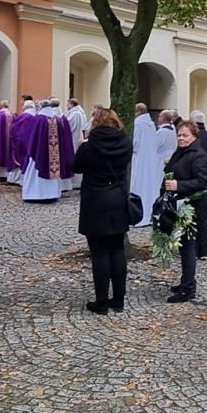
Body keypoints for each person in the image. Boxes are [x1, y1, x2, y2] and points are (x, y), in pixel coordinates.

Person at [72, 107, 132, 314]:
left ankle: (101, 302)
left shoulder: (89, 146)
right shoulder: (125, 142)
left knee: (99, 252)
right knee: (117, 250)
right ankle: (119, 300)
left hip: (95, 200)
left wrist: (80, 146)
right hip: (117, 198)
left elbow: (76, 167)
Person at [163, 121, 207, 303]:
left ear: (194, 136)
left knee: (188, 246)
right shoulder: (181, 151)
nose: (181, 138)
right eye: (179, 135)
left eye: (185, 135)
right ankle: (186, 281)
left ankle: (188, 287)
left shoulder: (198, 155)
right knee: (183, 246)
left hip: (192, 205)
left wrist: (178, 185)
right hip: (179, 203)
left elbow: (201, 181)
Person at [22, 100, 74, 203]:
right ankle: (52, 194)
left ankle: (36, 195)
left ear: (41, 106)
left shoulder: (38, 119)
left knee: (35, 174)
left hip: (39, 154)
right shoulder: (58, 120)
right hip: (55, 158)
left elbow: (30, 135)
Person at [129, 104, 162, 226]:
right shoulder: (151, 124)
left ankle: (138, 215)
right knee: (148, 187)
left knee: (138, 186)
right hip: (150, 161)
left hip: (139, 160)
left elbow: (134, 143)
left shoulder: (138, 124)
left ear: (138, 112)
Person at [190, 111, 207, 258]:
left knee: (190, 216)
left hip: (191, 180)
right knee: (202, 218)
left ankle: (192, 247)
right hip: (206, 181)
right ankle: (203, 249)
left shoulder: (193, 138)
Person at [65, 98, 89, 190]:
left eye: (68, 104)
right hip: (79, 136)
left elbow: (69, 126)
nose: (67, 106)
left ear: (71, 104)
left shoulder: (75, 114)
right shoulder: (81, 112)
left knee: (74, 157)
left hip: (74, 139)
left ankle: (74, 181)